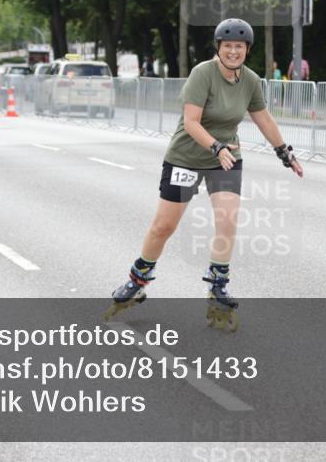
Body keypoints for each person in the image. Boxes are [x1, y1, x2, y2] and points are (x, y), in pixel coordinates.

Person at [105, 18, 304, 330]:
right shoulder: (203, 74)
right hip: (187, 157)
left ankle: (217, 286)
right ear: (219, 48)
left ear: (247, 50)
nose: (233, 52)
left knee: (227, 220)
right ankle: (137, 280)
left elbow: (263, 118)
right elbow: (191, 122)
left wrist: (284, 152)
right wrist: (216, 147)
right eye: (228, 46)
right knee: (163, 227)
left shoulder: (250, 81)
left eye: (239, 47)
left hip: (225, 159)